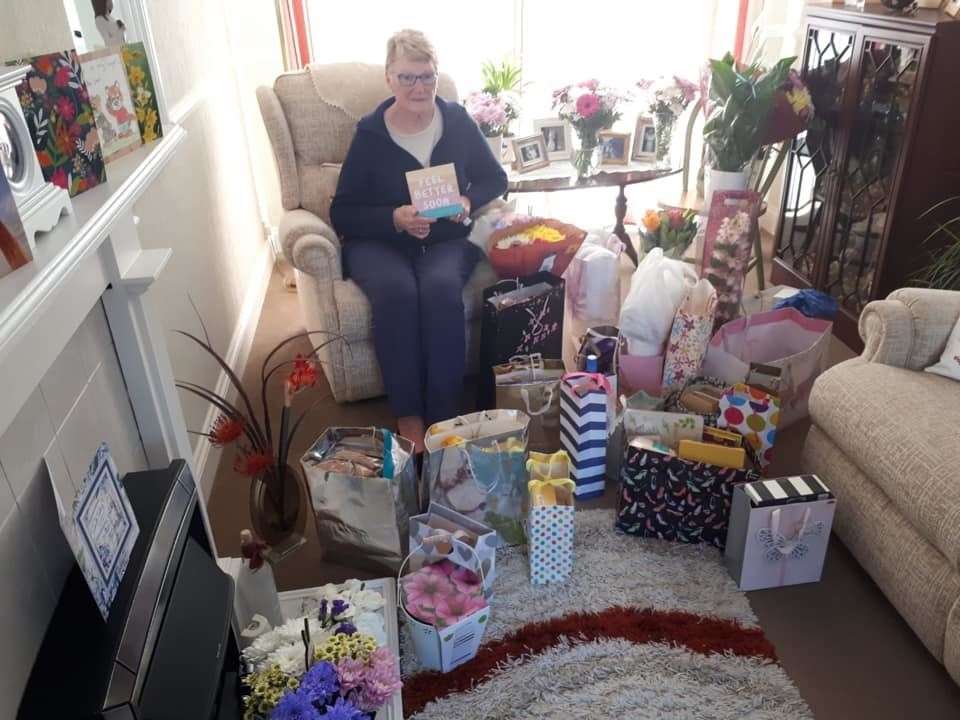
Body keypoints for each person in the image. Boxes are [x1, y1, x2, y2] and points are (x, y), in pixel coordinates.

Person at [330, 30, 507, 452]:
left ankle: (443, 416)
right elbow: (343, 211)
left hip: (446, 237)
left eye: (427, 76)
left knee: (441, 289)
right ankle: (408, 413)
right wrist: (394, 218)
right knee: (396, 292)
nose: (419, 87)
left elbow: (495, 178)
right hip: (382, 242)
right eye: (408, 77)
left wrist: (467, 198)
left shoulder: (458, 121)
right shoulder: (371, 134)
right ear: (389, 78)